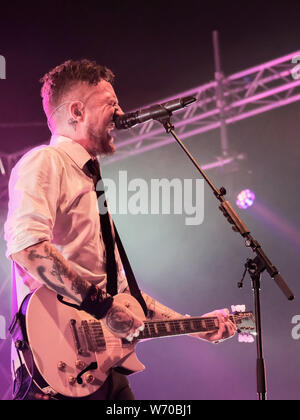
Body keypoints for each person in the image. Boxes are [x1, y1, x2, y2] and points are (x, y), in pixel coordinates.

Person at [4, 59, 236, 400]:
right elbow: (28, 248)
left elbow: (123, 292)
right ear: (78, 111)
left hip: (101, 368)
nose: (120, 112)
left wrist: (196, 325)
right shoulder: (45, 162)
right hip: (55, 367)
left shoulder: (90, 179)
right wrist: (104, 308)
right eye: (110, 104)